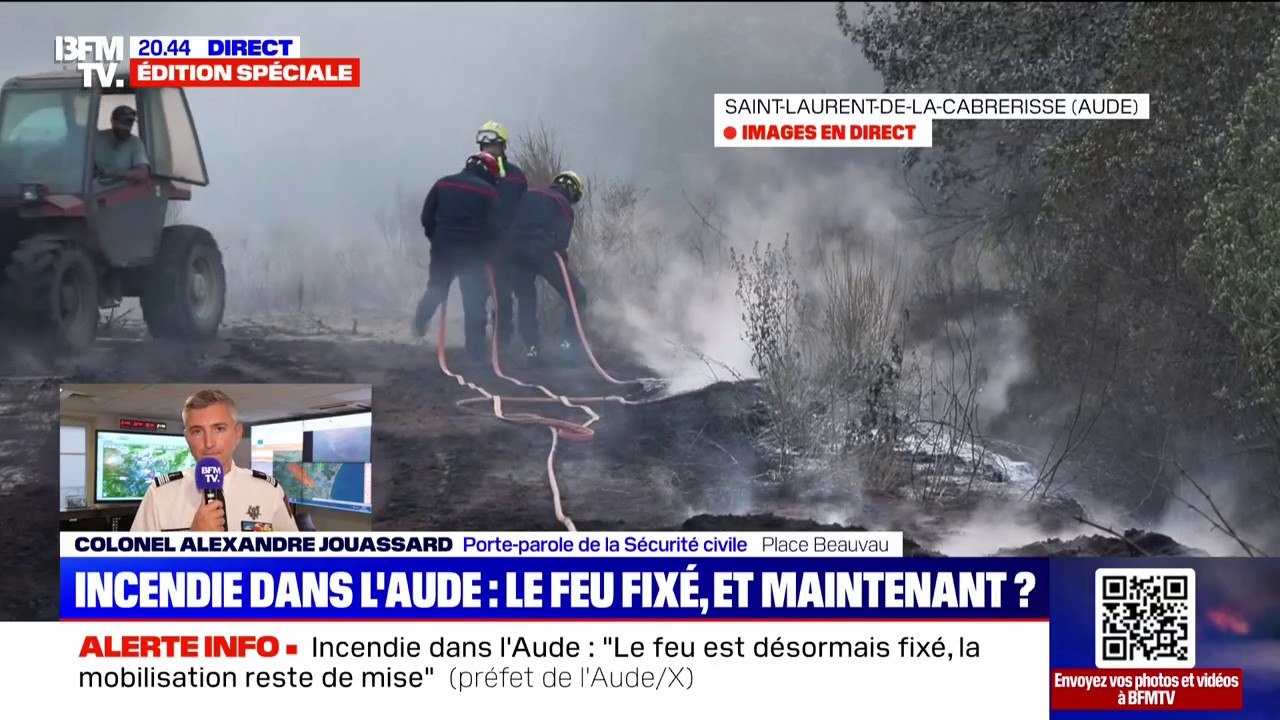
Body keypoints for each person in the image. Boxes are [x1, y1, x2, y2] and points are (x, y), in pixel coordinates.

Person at [131, 389, 298, 532]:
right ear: (187, 437)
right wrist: (190, 541)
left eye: (219, 429)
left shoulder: (268, 491)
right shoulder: (161, 494)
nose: (209, 443)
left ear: (238, 434)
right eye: (197, 431)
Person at [412, 151, 503, 363]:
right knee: (474, 303)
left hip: (443, 249)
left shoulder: (443, 184)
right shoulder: (490, 193)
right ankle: (476, 357)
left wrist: (436, 239)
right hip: (473, 254)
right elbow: (496, 229)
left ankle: (419, 323)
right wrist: (487, 252)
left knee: (437, 288)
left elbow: (427, 217)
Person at [498, 170, 589, 363]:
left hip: (515, 252)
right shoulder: (563, 205)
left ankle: (532, 349)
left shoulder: (528, 195)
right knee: (577, 296)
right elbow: (561, 243)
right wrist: (561, 265)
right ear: (573, 191)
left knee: (526, 299)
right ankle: (569, 345)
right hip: (541, 251)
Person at [93, 105, 150, 184]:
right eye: (123, 123)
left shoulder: (135, 144)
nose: (126, 128)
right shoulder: (98, 138)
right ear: (113, 121)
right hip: (95, 189)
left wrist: (117, 173)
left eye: (129, 124)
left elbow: (143, 173)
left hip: (121, 190)